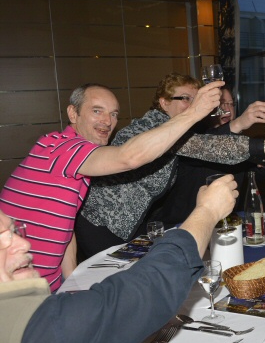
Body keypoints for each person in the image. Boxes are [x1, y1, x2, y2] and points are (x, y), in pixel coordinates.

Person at [0, 174, 238, 343]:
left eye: (14, 232)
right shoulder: (42, 331)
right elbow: (150, 287)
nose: (24, 244)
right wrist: (207, 211)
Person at [0, 81, 223, 291]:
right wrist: (193, 113)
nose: (107, 121)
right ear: (73, 113)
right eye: (97, 111)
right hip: (14, 286)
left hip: (44, 285)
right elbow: (129, 157)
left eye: (114, 114)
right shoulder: (59, 148)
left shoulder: (75, 163)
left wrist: (71, 281)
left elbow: (65, 227)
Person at [75, 73, 265, 261]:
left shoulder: (176, 130)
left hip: (129, 225)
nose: (193, 105)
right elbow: (209, 147)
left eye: (195, 98)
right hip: (102, 223)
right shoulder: (153, 127)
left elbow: (209, 143)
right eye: (185, 98)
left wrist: (246, 127)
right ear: (163, 102)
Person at [148, 86, 265, 227]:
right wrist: (239, 124)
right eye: (221, 104)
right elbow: (211, 144)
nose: (227, 109)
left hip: (227, 224)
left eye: (231, 104)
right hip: (181, 226)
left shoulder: (240, 141)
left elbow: (261, 176)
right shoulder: (190, 137)